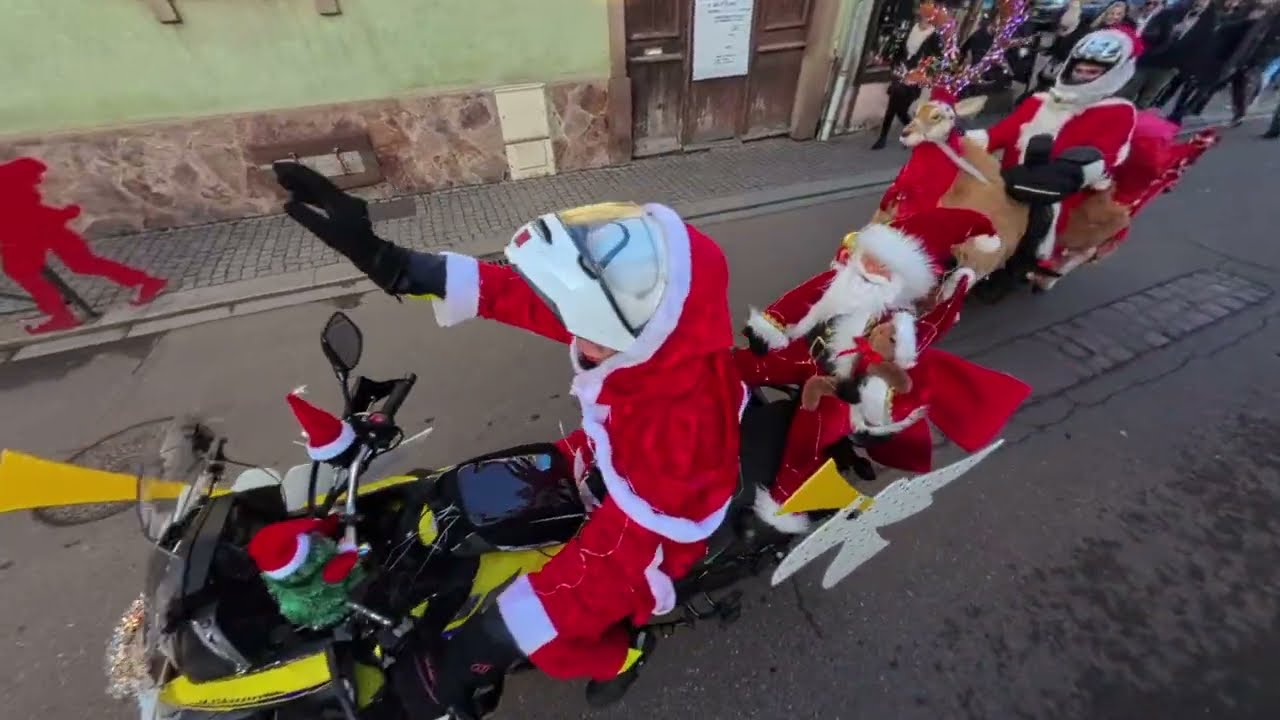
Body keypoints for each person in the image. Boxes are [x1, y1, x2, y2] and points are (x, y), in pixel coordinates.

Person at [270, 162, 746, 716]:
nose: (578, 336)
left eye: (593, 332)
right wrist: (395, 264)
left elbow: (615, 558)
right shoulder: (654, 340)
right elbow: (526, 299)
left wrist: (493, 636)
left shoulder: (679, 435)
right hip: (609, 462)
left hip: (656, 526)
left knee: (553, 649)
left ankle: (626, 654)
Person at [736, 207, 1031, 532]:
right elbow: (800, 298)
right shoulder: (842, 279)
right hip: (800, 353)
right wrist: (770, 325)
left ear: (903, 280)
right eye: (871, 255)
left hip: (838, 384)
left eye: (884, 264)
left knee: (810, 432)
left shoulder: (897, 324)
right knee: (735, 364)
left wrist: (956, 289)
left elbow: (931, 328)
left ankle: (785, 497)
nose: (871, 265)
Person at [969, 26, 1144, 269]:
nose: (1082, 76)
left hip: (1055, 196)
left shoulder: (1118, 111)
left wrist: (1065, 174)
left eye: (1092, 72)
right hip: (1007, 180)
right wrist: (955, 139)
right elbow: (1000, 134)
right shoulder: (1038, 101)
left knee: (1035, 230)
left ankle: (1020, 269)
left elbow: (1107, 156)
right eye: (1079, 70)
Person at [0, 157, 167, 335]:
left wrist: (63, 215)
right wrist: (64, 214)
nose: (39, 181)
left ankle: (61, 315)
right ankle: (146, 283)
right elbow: (27, 215)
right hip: (31, 236)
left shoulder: (13, 188)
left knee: (36, 272)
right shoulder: (10, 188)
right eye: (36, 177)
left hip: (32, 236)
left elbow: (29, 215)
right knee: (74, 265)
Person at [1168, 0, 1264, 124]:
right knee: (1191, 86)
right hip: (1211, 57)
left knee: (1200, 89)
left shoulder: (1248, 28)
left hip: (1220, 62)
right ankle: (1178, 113)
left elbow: (1241, 47)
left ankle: (1180, 114)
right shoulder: (1239, 21)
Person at [873, 1, 944, 150]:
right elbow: (898, 46)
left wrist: (924, 74)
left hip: (915, 77)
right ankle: (883, 137)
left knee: (900, 108)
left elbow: (937, 60)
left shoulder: (934, 36)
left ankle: (911, 132)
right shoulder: (910, 28)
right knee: (893, 103)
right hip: (901, 71)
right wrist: (888, 58)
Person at [1130, 0, 1219, 109]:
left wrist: (1183, 67)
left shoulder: (1210, 19)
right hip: (1149, 58)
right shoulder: (1176, 8)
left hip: (1170, 66)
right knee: (1130, 90)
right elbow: (1151, 29)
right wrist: (1164, 35)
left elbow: (1201, 47)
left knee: (1146, 98)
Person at [1039, 0, 1136, 94]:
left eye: (1119, 14)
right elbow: (1065, 29)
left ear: (1124, 15)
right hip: (1059, 66)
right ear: (1105, 12)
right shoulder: (1089, 23)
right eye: (1111, 13)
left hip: (1080, 78)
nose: (1114, 17)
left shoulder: (1118, 35)